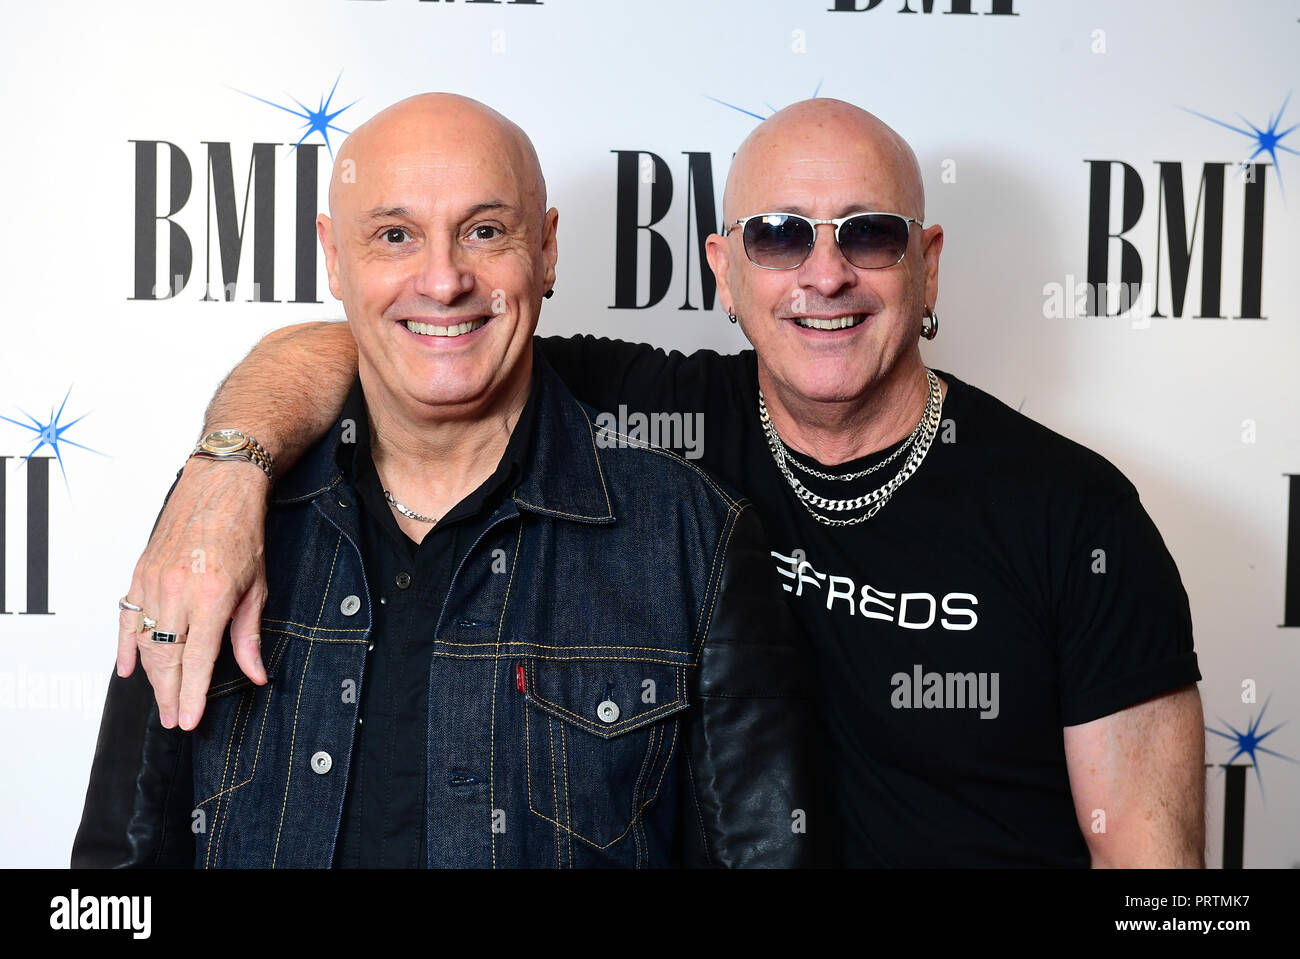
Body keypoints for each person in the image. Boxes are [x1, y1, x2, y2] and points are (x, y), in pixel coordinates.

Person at [106, 97, 1205, 868]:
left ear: (924, 262)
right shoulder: (649, 421)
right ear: (724, 269)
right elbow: (407, 331)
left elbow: (1151, 870)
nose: (823, 273)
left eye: (865, 236)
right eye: (780, 237)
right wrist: (223, 471)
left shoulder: (1075, 514)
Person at [72, 93, 822, 869]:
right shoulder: (219, 522)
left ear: (547, 249)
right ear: (335, 258)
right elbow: (112, 878)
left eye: (485, 231)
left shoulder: (689, 537)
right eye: (395, 235)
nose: (443, 279)